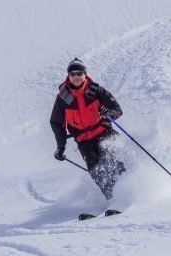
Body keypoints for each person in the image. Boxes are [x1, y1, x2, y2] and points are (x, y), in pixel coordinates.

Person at [50, 58, 125, 200]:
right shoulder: (63, 98)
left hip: (104, 132)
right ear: (68, 76)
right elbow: (57, 123)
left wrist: (109, 114)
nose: (76, 77)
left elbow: (117, 109)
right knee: (96, 171)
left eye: (79, 73)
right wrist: (61, 147)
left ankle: (128, 193)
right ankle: (113, 200)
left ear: (85, 74)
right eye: (73, 74)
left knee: (113, 162)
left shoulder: (96, 90)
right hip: (84, 141)